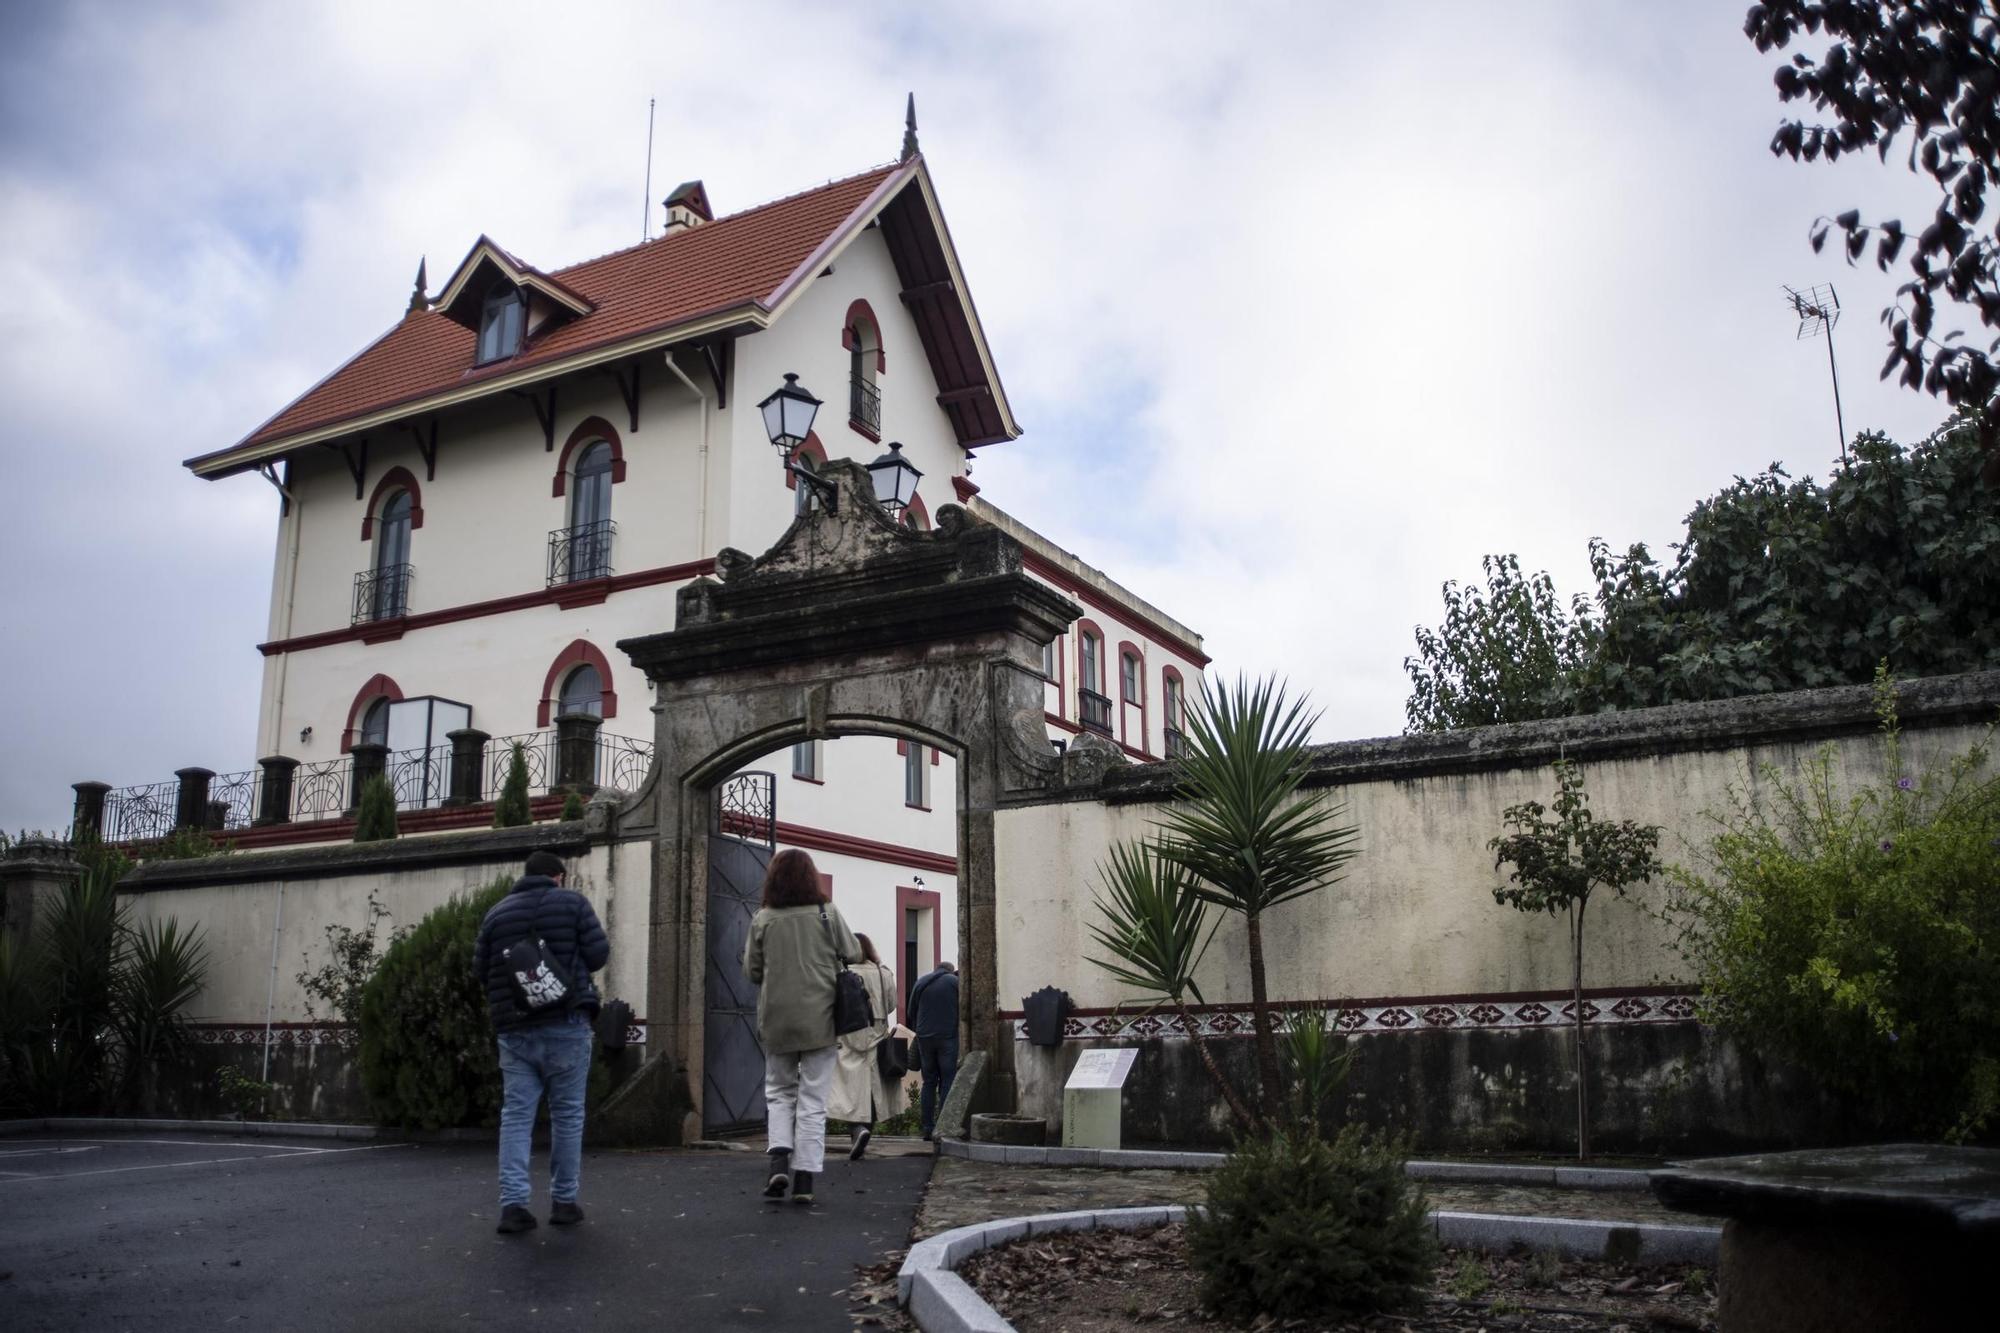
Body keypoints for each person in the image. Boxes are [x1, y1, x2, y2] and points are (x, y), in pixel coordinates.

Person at [472, 849, 610, 1235]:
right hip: (566, 1023)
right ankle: (564, 1203)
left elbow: (479, 970)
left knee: (516, 1115)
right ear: (558, 877)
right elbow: (598, 955)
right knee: (567, 1116)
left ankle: (513, 1206)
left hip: (515, 1029)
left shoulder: (497, 912)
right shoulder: (573, 903)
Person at [741, 848, 860, 1205]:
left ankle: (778, 1160)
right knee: (812, 1098)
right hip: (820, 1018)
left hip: (777, 1019)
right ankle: (805, 1179)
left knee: (779, 1092)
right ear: (811, 877)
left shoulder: (763, 918)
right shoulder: (826, 912)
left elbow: (752, 971)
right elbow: (853, 952)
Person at [826, 933, 906, 1160]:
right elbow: (891, 1005)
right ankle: (865, 1130)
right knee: (873, 1087)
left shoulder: (843, 974)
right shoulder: (884, 973)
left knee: (849, 1086)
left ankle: (856, 1129)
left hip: (849, 1031)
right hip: (877, 1032)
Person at [907, 960, 959, 1140]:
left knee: (928, 1082)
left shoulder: (921, 982)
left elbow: (911, 1011)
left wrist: (920, 1029)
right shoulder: (954, 982)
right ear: (950, 971)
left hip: (925, 1037)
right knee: (947, 1080)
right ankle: (943, 1127)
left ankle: (927, 1128)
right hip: (948, 1037)